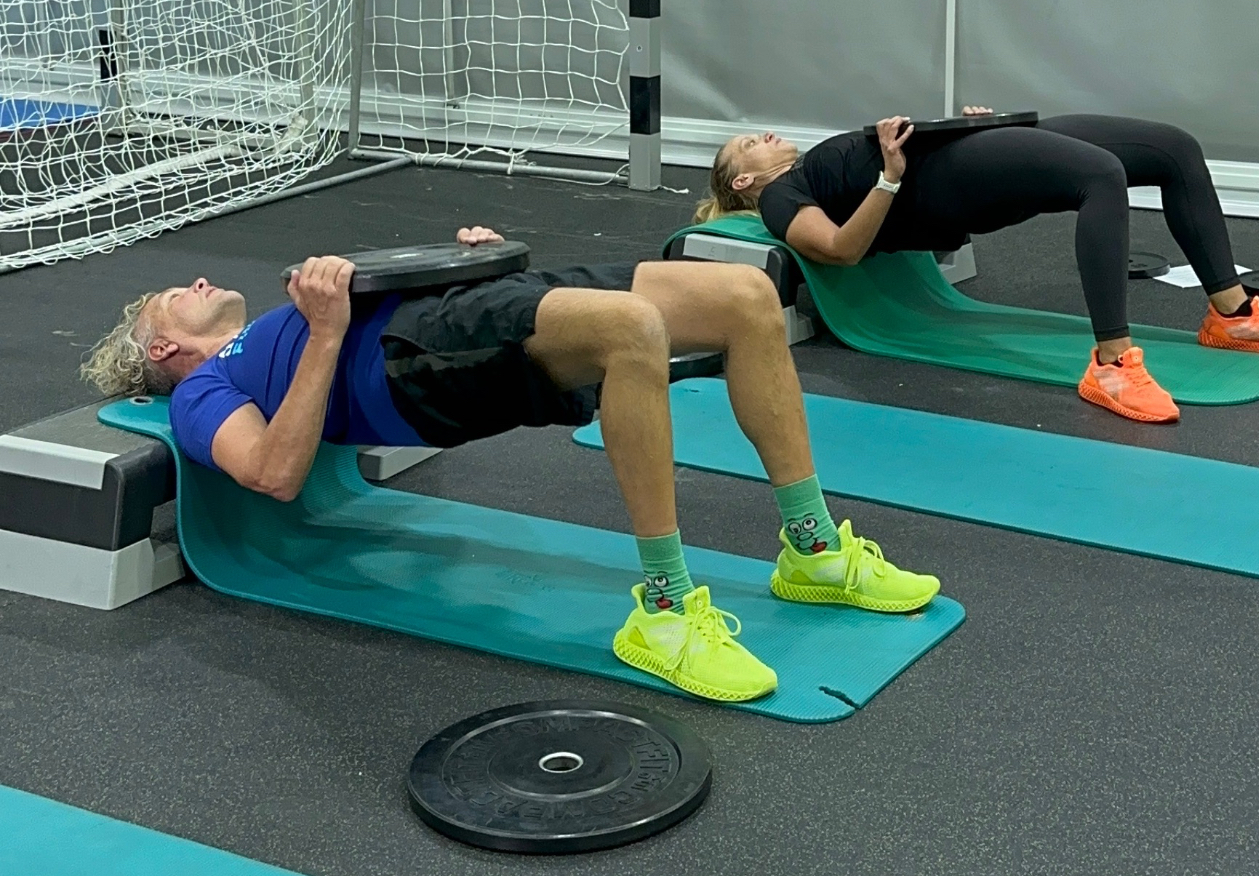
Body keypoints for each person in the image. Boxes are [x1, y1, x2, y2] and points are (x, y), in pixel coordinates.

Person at [80, 227, 940, 704]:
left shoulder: (273, 320)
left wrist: (471, 260)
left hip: (444, 307)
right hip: (408, 358)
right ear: (163, 347)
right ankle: (665, 611)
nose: (198, 281)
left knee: (746, 296)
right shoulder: (205, 392)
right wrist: (329, 331)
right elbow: (274, 472)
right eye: (177, 296)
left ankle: (812, 549)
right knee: (631, 330)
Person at [698, 111, 1259, 424]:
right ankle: (1111, 367)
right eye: (748, 144)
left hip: (959, 152)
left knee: (1173, 149)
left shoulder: (802, 168)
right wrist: (889, 175)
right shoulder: (781, 195)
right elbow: (839, 249)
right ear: (743, 180)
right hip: (940, 185)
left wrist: (971, 129)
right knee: (1101, 175)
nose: (765, 135)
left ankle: (1231, 315)